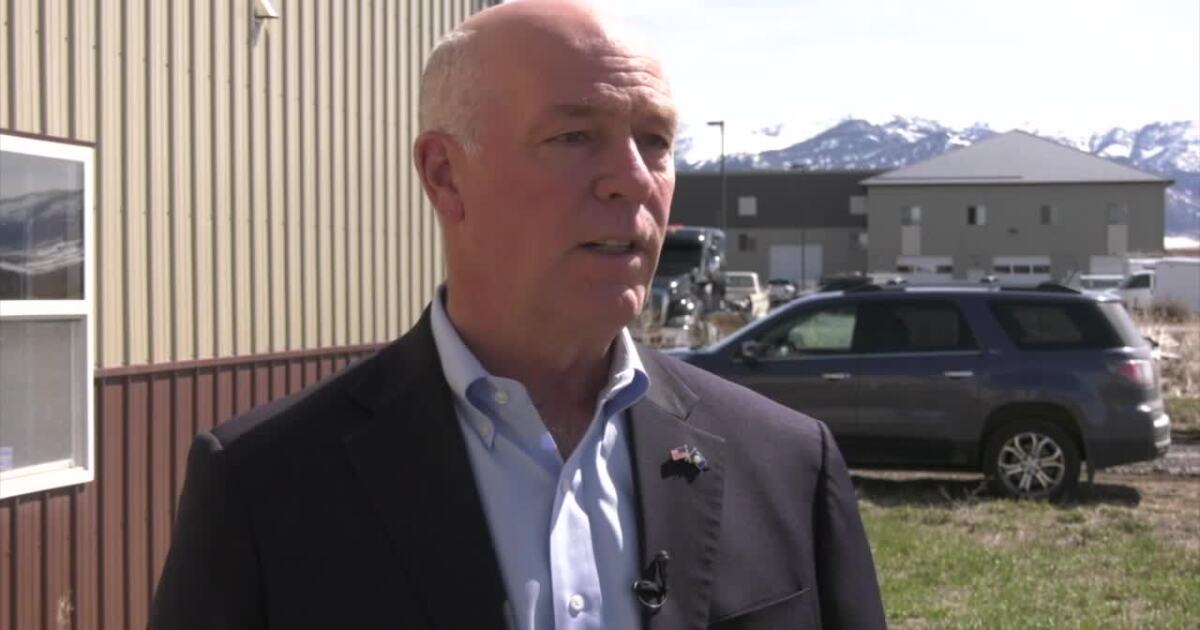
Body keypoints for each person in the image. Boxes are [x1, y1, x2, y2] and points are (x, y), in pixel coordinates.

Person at [150, 1, 886, 628]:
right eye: (574, 136)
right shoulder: (266, 488)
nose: (633, 179)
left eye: (656, 141)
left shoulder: (788, 463)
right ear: (445, 175)